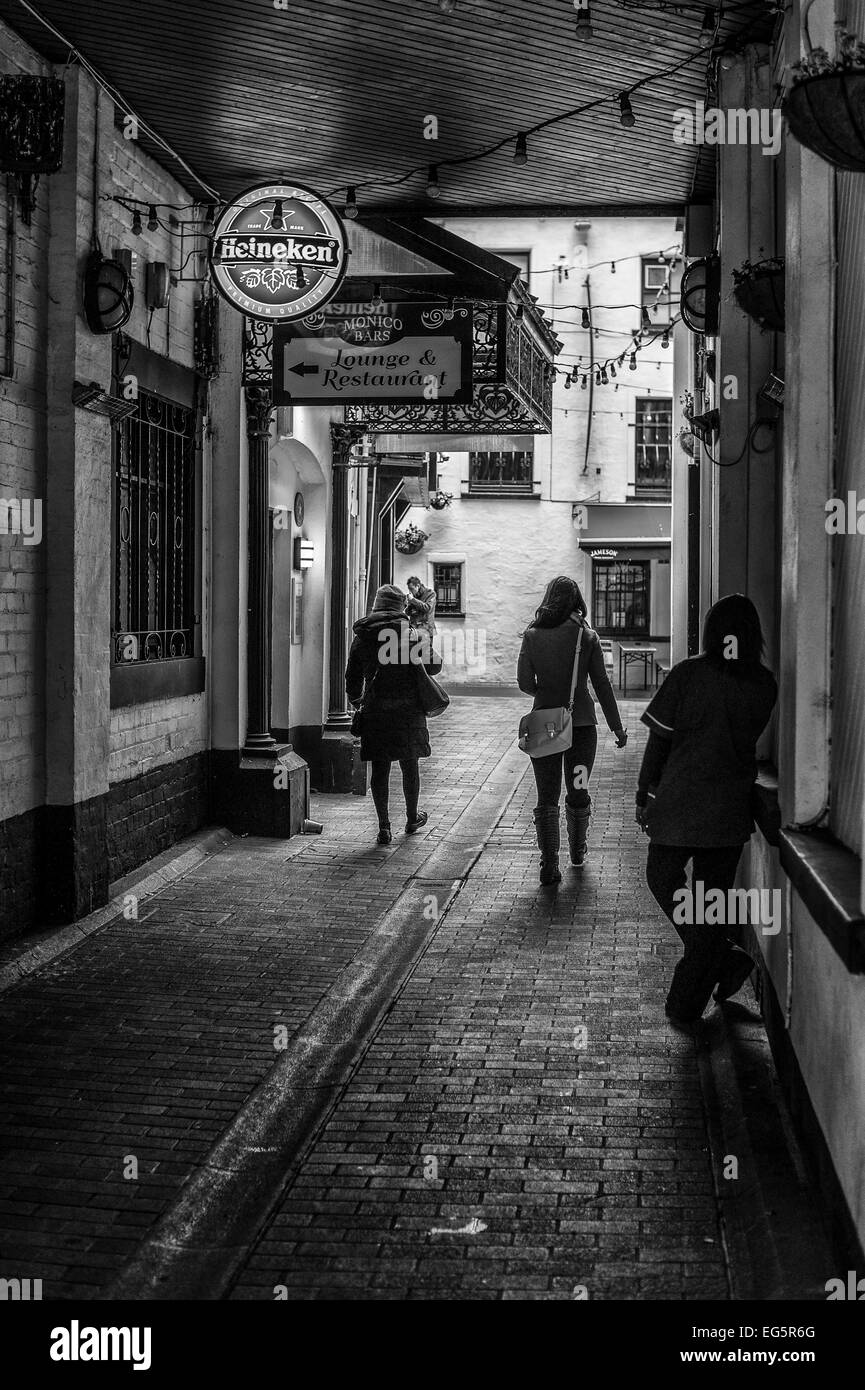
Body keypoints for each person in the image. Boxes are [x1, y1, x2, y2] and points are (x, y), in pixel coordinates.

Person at [636, 593, 778, 1032]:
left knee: (662, 877)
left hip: (680, 801)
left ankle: (700, 980)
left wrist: (645, 792)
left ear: (712, 632)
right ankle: (709, 973)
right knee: (710, 902)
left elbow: (659, 741)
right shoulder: (763, 684)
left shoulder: (688, 675)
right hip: (729, 810)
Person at [517, 575, 628, 885]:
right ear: (577, 600)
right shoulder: (586, 637)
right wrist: (617, 728)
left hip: (544, 727)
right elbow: (602, 686)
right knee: (578, 788)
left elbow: (525, 683)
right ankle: (577, 852)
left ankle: (549, 864)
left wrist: (547, 692)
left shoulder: (532, 635)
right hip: (580, 727)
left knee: (546, 795)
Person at [345, 584, 430, 845]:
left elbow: (352, 678)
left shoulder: (363, 636)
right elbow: (434, 665)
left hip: (376, 710)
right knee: (409, 765)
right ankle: (412, 816)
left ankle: (384, 827)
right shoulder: (410, 634)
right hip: (409, 710)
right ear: (399, 607)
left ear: (377, 605)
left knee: (380, 769)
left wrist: (360, 702)